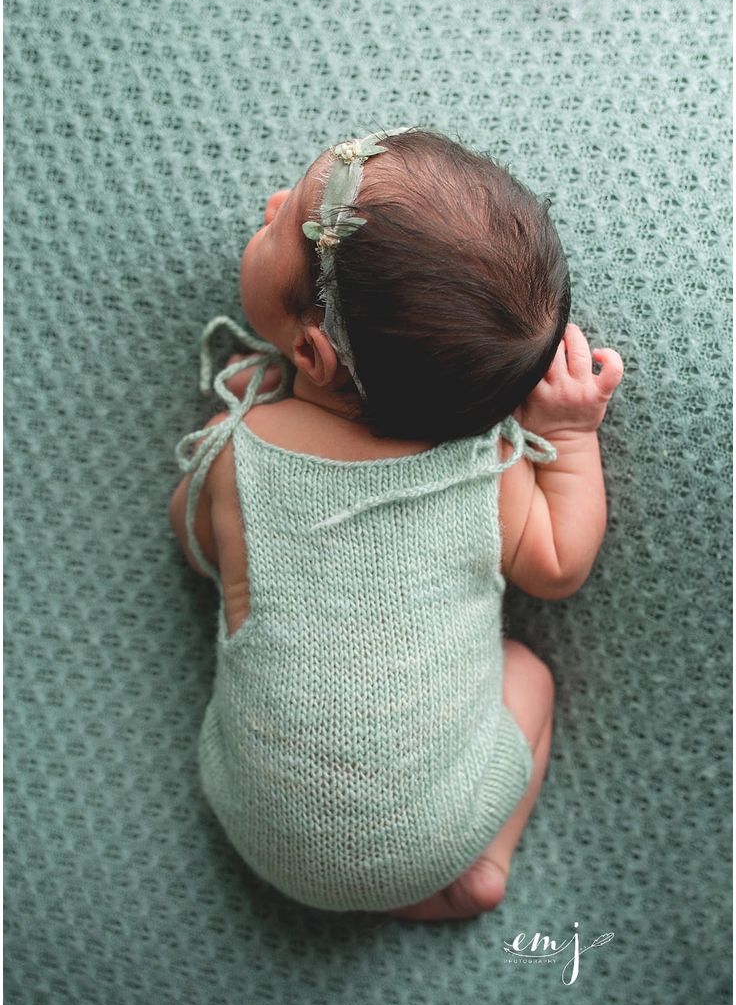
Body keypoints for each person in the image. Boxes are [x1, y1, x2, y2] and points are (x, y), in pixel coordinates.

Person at [169, 127, 624, 919]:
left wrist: (225, 451)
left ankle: (396, 873)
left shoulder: (241, 454)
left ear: (309, 358)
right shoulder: (486, 468)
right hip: (434, 835)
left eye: (278, 230)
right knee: (533, 677)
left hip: (262, 832)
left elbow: (195, 546)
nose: (273, 206)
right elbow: (561, 565)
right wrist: (575, 437)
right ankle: (482, 867)